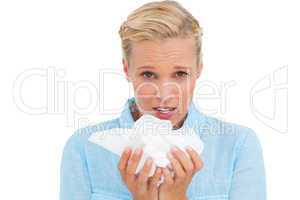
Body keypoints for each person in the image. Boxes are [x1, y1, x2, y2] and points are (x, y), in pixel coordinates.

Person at [60, 1, 266, 200]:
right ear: (126, 69)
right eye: (148, 75)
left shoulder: (238, 146)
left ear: (199, 69)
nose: (164, 94)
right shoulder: (84, 149)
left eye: (180, 74)